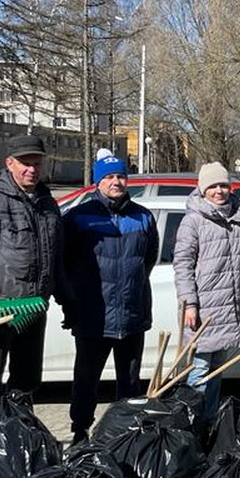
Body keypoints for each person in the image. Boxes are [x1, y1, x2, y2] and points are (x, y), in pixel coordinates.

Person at [0, 134, 66, 407]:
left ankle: (20, 439)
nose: (32, 169)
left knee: (27, 383)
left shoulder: (47, 203)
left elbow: (57, 257)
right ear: (9, 163)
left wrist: (67, 299)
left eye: (37, 164)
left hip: (34, 308)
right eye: (25, 163)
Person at [62, 151, 159, 443]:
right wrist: (73, 302)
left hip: (132, 312)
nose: (115, 182)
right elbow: (65, 263)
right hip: (94, 314)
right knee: (86, 378)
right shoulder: (79, 218)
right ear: (97, 182)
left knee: (129, 382)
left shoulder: (142, 216)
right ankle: (80, 431)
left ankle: (125, 434)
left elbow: (148, 260)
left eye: (120, 176)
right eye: (108, 177)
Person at [174, 162, 240, 426]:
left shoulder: (239, 220)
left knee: (215, 373)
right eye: (213, 186)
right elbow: (183, 265)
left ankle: (208, 423)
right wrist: (190, 304)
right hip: (203, 313)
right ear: (202, 189)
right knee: (197, 372)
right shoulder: (193, 221)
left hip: (229, 311)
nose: (219, 191)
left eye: (223, 185)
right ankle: (191, 427)